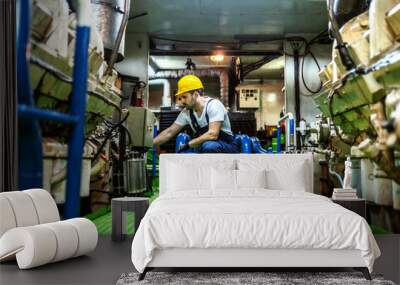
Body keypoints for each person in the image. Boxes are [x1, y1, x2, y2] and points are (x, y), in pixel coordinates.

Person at [153, 74, 239, 153]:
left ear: (195, 94)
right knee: (184, 153)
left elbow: (213, 134)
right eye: (180, 98)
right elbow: (169, 132)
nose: (182, 101)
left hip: (227, 146)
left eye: (184, 97)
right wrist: (149, 144)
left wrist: (189, 144)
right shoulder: (186, 112)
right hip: (204, 146)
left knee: (209, 146)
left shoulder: (213, 105)